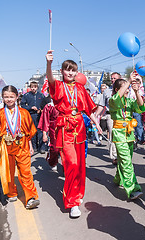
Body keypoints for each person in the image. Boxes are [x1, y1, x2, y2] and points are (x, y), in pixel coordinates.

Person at [46, 50, 102, 218]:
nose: (70, 72)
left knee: (80, 166)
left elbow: (87, 108)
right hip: (65, 129)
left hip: (79, 127)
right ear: (62, 71)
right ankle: (72, 202)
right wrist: (48, 63)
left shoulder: (80, 87)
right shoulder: (58, 86)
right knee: (71, 164)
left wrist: (96, 123)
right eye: (67, 69)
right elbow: (50, 79)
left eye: (73, 70)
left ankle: (78, 192)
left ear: (76, 72)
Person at [0, 85, 40, 209]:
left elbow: (29, 132)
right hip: (6, 146)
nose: (9, 99)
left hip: (22, 146)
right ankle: (11, 192)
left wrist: (30, 146)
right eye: (6, 97)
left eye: (11, 97)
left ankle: (31, 197)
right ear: (2, 98)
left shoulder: (24, 113)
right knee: (8, 171)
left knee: (26, 172)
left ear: (17, 97)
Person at [109, 74, 145, 200]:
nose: (128, 89)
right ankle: (133, 189)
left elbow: (141, 108)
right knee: (127, 162)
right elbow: (115, 99)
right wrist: (129, 81)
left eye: (128, 87)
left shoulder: (129, 101)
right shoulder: (113, 100)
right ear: (116, 90)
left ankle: (118, 178)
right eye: (125, 87)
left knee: (125, 160)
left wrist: (137, 91)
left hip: (129, 134)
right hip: (119, 135)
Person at [95, 72, 121, 165]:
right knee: (113, 135)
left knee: (122, 136)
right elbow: (101, 105)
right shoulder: (107, 91)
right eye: (112, 78)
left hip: (123, 116)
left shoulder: (125, 90)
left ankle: (122, 154)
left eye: (114, 78)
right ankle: (115, 157)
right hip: (111, 116)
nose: (113, 80)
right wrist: (95, 116)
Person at [20, 81, 45, 154]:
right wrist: (30, 107)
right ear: (30, 87)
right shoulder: (26, 95)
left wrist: (41, 109)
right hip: (31, 115)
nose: (33, 89)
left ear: (37, 87)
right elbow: (22, 105)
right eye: (32, 87)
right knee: (33, 131)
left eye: (35, 87)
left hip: (40, 115)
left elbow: (44, 105)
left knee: (40, 131)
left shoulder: (41, 95)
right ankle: (34, 147)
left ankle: (41, 147)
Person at [38, 95, 60, 171]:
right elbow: (45, 121)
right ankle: (52, 161)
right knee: (55, 149)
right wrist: (44, 134)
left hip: (65, 130)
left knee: (66, 150)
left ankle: (66, 167)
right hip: (53, 130)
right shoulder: (49, 106)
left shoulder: (66, 105)